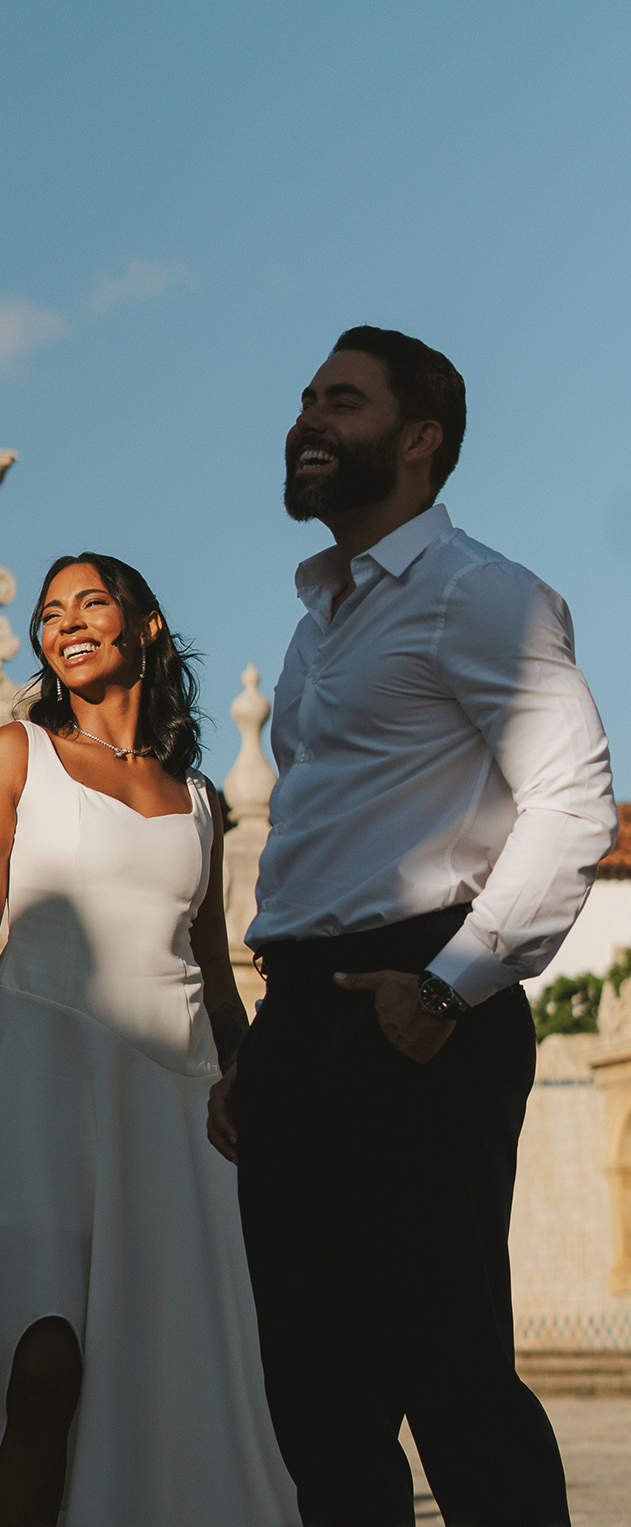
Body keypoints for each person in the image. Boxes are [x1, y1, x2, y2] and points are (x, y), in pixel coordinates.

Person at [208, 326, 617, 1527]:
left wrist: (447, 988)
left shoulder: (482, 595)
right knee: (315, 1403)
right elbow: (318, 839)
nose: (308, 420)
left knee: (450, 1383)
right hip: (306, 1022)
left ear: (421, 440)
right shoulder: (316, 622)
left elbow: (575, 800)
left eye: (343, 400)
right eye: (306, 400)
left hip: (416, 1013)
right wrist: (266, 1049)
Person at [0, 553, 298, 1527]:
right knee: (41, 1364)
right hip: (35, 1093)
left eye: (90, 603)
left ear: (143, 625)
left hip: (170, 1114)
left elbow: (213, 976)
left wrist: (250, 1084)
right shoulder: (13, 755)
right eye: (50, 610)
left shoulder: (197, 801)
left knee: (158, 1382)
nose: (65, 622)